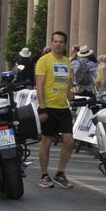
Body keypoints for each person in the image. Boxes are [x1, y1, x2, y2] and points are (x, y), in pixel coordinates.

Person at [33, 30, 74, 188]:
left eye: (61, 42)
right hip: (48, 107)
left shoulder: (68, 62)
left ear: (64, 44)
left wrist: (73, 104)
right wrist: (42, 107)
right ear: (51, 43)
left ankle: (60, 173)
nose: (58, 44)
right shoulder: (44, 61)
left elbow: (69, 86)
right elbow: (39, 85)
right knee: (46, 141)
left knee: (69, 141)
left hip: (63, 107)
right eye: (55, 41)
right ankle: (44, 175)